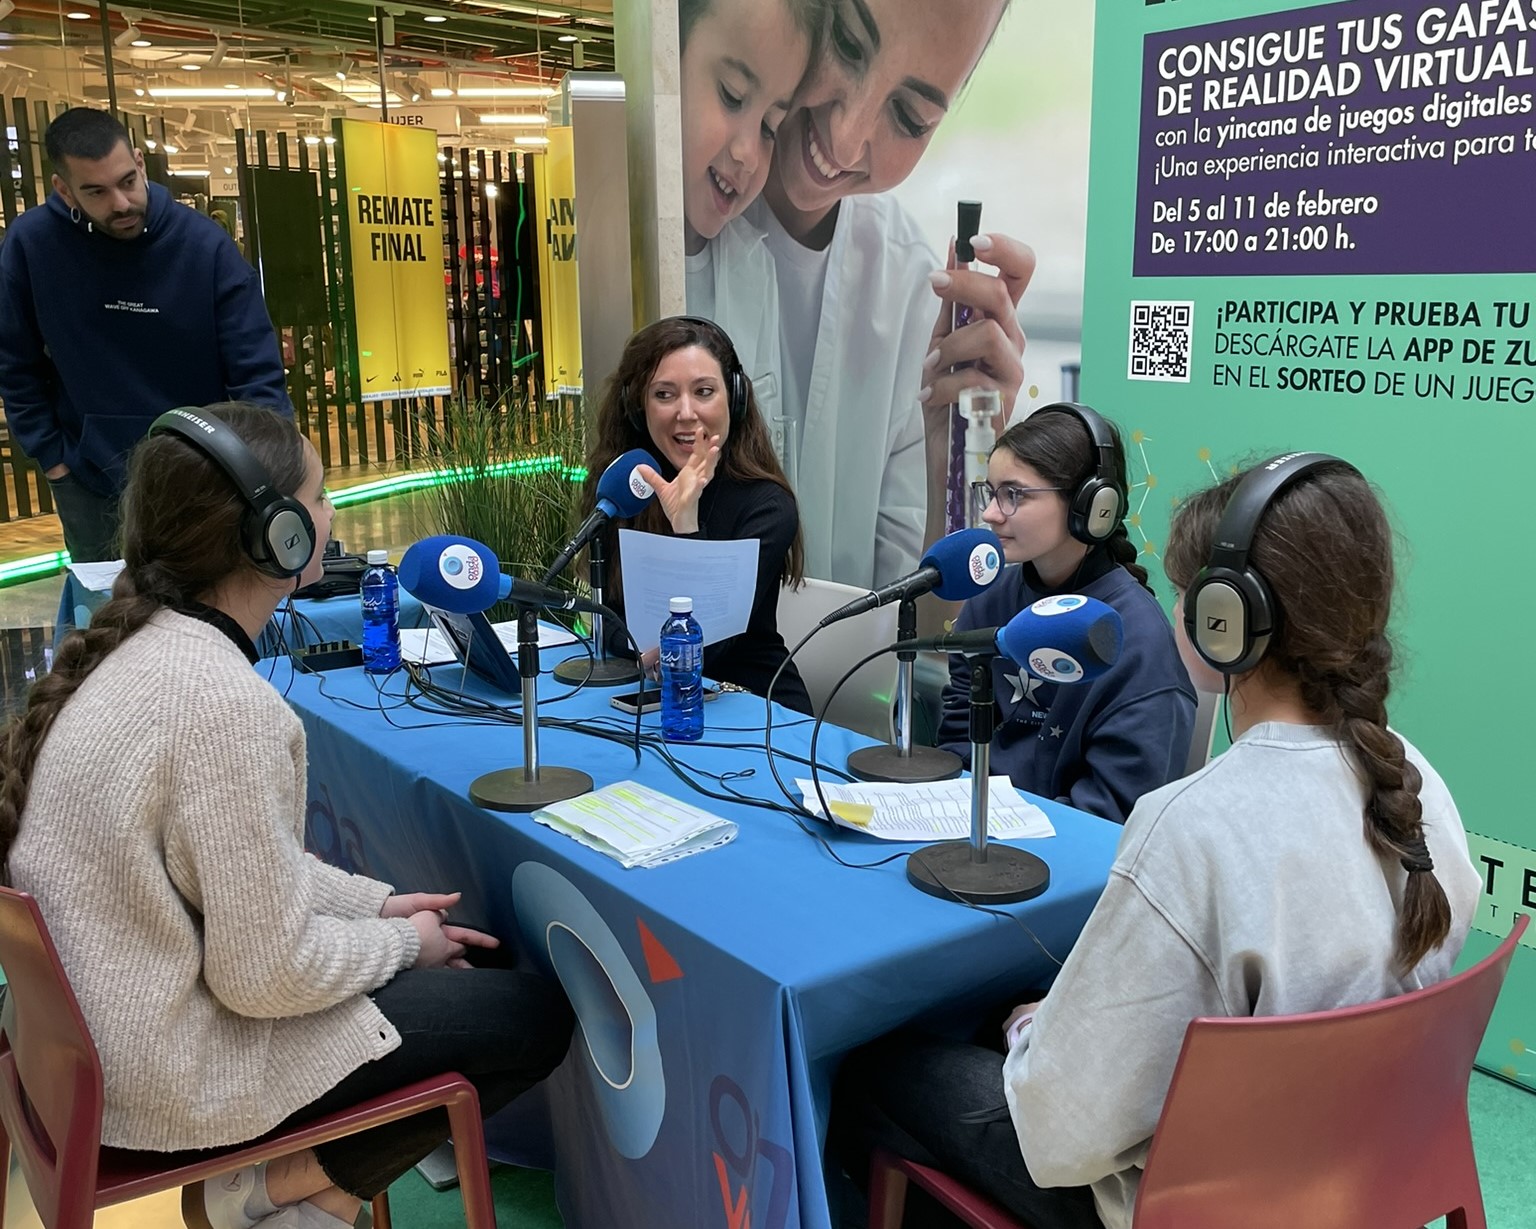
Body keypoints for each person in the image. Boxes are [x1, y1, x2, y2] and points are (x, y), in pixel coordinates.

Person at [832, 454, 1482, 1229]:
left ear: (1225, 619)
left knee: (869, 1064)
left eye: (1183, 593)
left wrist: (1032, 1027)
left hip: (1189, 1204)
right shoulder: (1417, 778)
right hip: (1352, 1173)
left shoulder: (1191, 827)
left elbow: (1058, 1134)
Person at [1, 403, 572, 1229]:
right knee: (530, 1015)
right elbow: (264, 974)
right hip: (172, 1072)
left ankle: (286, 1190)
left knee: (460, 985)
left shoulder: (143, 650)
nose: (332, 506)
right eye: (320, 491)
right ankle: (302, 1194)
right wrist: (405, 944)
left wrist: (374, 907)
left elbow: (242, 864)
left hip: (92, 1050)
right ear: (280, 535)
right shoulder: (222, 702)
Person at [721, 0, 1035, 588]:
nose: (844, 141)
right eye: (844, 43)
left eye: (910, 118)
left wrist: (961, 470)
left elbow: (923, 633)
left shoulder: (911, 293)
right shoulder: (674, 229)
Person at [0, 108, 292, 563]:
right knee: (108, 617)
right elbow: (14, 360)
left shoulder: (203, 246)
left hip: (205, 472)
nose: (120, 203)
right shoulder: (31, 245)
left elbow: (256, 369)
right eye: (96, 191)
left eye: (127, 181)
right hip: (89, 475)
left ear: (139, 162)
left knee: (208, 609)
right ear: (63, 189)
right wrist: (54, 458)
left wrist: (274, 468)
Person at [937, 404, 1194, 824]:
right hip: (971, 834)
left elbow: (1116, 812)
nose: (989, 513)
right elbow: (956, 744)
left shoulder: (1139, 639)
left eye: (1014, 495)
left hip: (1069, 859)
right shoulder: (989, 599)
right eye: (992, 492)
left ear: (1092, 507)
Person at [584, 315, 813, 713]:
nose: (686, 413)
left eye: (704, 391)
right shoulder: (627, 489)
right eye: (664, 395)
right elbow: (612, 628)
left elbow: (708, 646)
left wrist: (685, 523)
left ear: (734, 399)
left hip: (755, 709)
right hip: (650, 704)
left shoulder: (767, 504)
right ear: (638, 408)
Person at [680, 0, 823, 437]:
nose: (747, 154)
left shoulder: (754, 268)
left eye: (769, 127)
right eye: (732, 95)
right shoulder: (613, 252)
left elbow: (764, 454)